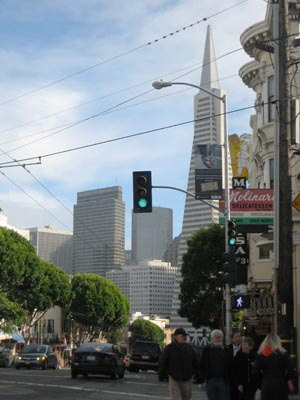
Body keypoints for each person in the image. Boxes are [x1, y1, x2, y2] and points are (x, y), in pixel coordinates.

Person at [252, 332, 294, 400]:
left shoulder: (261, 354)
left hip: (266, 385)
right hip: (281, 385)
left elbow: (255, 372)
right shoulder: (283, 353)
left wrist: (261, 382)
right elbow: (291, 370)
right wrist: (285, 379)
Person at [159, 327, 198, 400]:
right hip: (174, 378)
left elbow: (195, 362)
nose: (184, 337)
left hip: (187, 378)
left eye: (185, 336)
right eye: (182, 336)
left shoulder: (190, 348)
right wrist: (162, 374)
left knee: (187, 397)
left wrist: (197, 375)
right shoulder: (169, 348)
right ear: (175, 337)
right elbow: (162, 361)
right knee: (174, 398)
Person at [199, 329, 232, 400]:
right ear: (212, 338)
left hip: (223, 381)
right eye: (216, 337)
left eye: (220, 337)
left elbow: (231, 365)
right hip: (210, 380)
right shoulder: (207, 349)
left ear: (222, 338)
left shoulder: (227, 349)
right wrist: (202, 378)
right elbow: (202, 364)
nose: (218, 339)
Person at [228, 331, 242, 400]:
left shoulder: (245, 348)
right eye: (236, 337)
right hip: (230, 380)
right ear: (232, 339)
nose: (238, 338)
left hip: (242, 380)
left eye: (239, 336)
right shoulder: (227, 349)